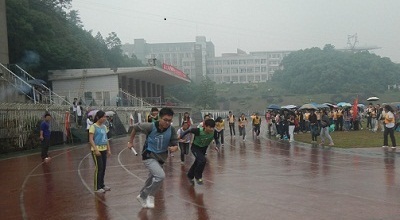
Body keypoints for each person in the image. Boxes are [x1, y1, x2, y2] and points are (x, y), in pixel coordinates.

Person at [127, 107, 178, 208]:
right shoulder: (150, 126)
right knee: (160, 176)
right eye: (165, 120)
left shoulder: (171, 129)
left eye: (170, 120)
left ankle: (141, 196)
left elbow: (174, 143)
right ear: (160, 118)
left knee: (151, 179)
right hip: (149, 155)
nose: (167, 123)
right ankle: (149, 195)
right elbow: (135, 127)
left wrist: (174, 148)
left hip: (161, 157)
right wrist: (130, 142)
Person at [179, 119, 216, 185]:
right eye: (210, 127)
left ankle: (190, 175)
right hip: (195, 148)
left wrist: (217, 145)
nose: (212, 129)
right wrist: (181, 136)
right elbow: (189, 130)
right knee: (202, 160)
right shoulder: (198, 131)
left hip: (203, 149)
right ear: (205, 126)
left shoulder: (213, 132)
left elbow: (216, 140)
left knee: (198, 162)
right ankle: (198, 176)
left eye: (213, 127)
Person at [88, 110, 111, 193]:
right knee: (99, 168)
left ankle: (102, 185)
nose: (105, 118)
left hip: (104, 149)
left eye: (105, 117)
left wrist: (109, 149)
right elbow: (90, 139)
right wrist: (96, 149)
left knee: (103, 168)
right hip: (96, 151)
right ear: (98, 117)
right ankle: (96, 187)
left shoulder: (104, 127)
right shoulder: (93, 127)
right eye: (103, 117)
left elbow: (106, 139)